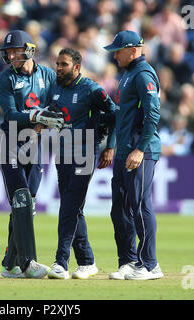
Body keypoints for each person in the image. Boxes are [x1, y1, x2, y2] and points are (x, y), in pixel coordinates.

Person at [0, 30, 64, 279]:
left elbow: (57, 106)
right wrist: (36, 117)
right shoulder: (6, 79)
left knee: (28, 206)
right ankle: (27, 263)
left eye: (16, 50)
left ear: (29, 50)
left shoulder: (47, 74)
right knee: (22, 200)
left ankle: (9, 263)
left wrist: (41, 125)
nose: (12, 55)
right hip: (11, 144)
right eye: (9, 52)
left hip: (35, 144)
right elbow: (10, 114)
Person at [98, 30, 164, 280]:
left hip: (140, 151)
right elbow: (120, 115)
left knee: (140, 205)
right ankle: (129, 261)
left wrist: (140, 148)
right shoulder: (127, 75)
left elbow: (153, 115)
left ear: (133, 50)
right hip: (124, 151)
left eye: (118, 51)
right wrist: (112, 145)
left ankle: (150, 265)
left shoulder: (144, 74)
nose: (114, 55)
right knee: (120, 209)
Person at [47, 48, 115, 280]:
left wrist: (110, 146)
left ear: (77, 67)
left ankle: (61, 262)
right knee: (73, 208)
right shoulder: (54, 89)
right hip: (62, 153)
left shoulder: (92, 89)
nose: (58, 68)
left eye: (63, 64)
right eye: (57, 63)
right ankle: (87, 262)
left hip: (85, 154)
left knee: (68, 207)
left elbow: (115, 114)